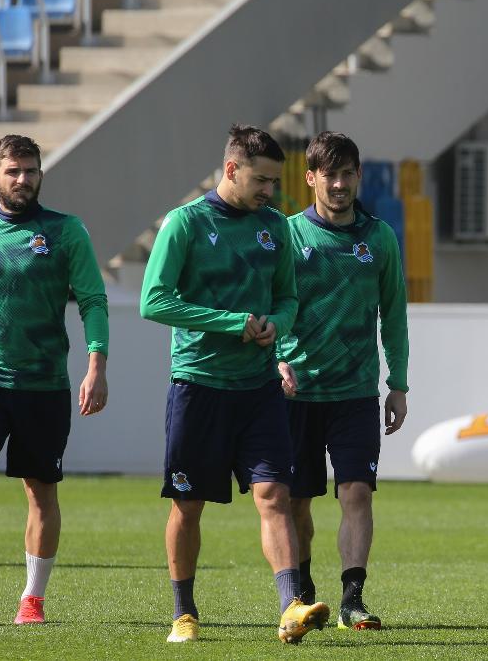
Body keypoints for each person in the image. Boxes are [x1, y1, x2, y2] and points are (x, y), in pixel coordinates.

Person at [139, 125, 329, 644]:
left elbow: (289, 298)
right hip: (199, 386)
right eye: (262, 180)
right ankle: (184, 612)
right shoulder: (185, 223)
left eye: (275, 180)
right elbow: (153, 300)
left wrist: (278, 324)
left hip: (259, 387)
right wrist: (232, 322)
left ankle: (290, 606)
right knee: (189, 505)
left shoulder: (276, 227)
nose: (271, 191)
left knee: (274, 494)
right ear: (230, 170)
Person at [0, 135, 109, 627]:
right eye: (13, 171)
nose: (22, 179)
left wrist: (97, 365)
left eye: (30, 171)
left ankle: (32, 598)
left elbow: (93, 301)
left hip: (44, 383)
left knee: (40, 490)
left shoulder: (65, 231)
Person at [276, 132, 409, 631]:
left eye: (347, 173)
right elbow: (266, 309)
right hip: (297, 393)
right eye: (328, 174)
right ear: (310, 178)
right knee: (296, 501)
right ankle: (304, 593)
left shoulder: (379, 238)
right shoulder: (288, 236)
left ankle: (353, 598)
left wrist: (398, 383)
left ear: (357, 176)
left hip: (355, 393)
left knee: (357, 493)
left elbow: (394, 315)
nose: (338, 183)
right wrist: (274, 362)